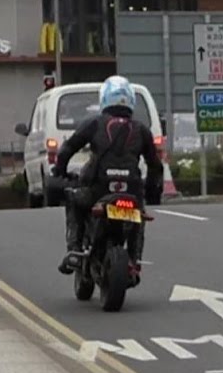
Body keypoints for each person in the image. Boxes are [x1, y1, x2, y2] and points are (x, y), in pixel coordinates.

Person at [51, 75, 164, 277]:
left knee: (73, 199)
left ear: (104, 99)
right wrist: (152, 192)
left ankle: (75, 251)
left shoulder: (94, 123)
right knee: (139, 215)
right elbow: (155, 166)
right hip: (131, 191)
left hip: (97, 191)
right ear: (131, 101)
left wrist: (59, 171)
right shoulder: (142, 130)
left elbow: (67, 149)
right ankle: (134, 260)